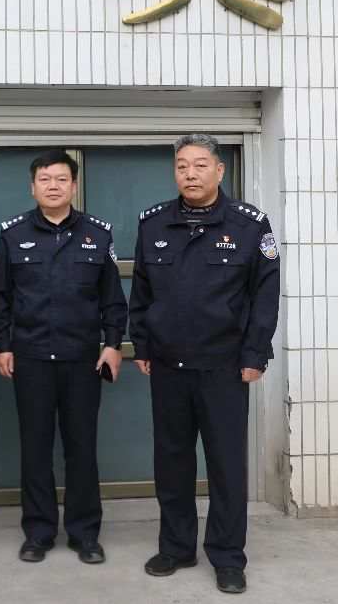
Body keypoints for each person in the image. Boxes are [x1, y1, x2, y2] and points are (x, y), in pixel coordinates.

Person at [129, 133, 280, 595]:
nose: (190, 174)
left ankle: (228, 557)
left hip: (224, 367)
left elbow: (265, 295)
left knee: (226, 466)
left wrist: (255, 354)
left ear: (219, 170)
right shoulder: (154, 222)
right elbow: (141, 291)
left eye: (199, 165)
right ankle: (176, 547)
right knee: (171, 461)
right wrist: (142, 345)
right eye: (181, 166)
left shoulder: (249, 224)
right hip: (168, 365)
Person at [0, 149, 126, 565]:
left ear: (74, 185)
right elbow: (1, 298)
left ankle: (85, 534)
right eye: (45, 179)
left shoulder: (97, 234)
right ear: (32, 187)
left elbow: (112, 299)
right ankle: (38, 533)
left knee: (81, 448)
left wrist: (113, 344)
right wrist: (2, 346)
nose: (53, 186)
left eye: (61, 179)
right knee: (34, 449)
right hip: (30, 357)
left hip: (81, 359)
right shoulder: (12, 234)